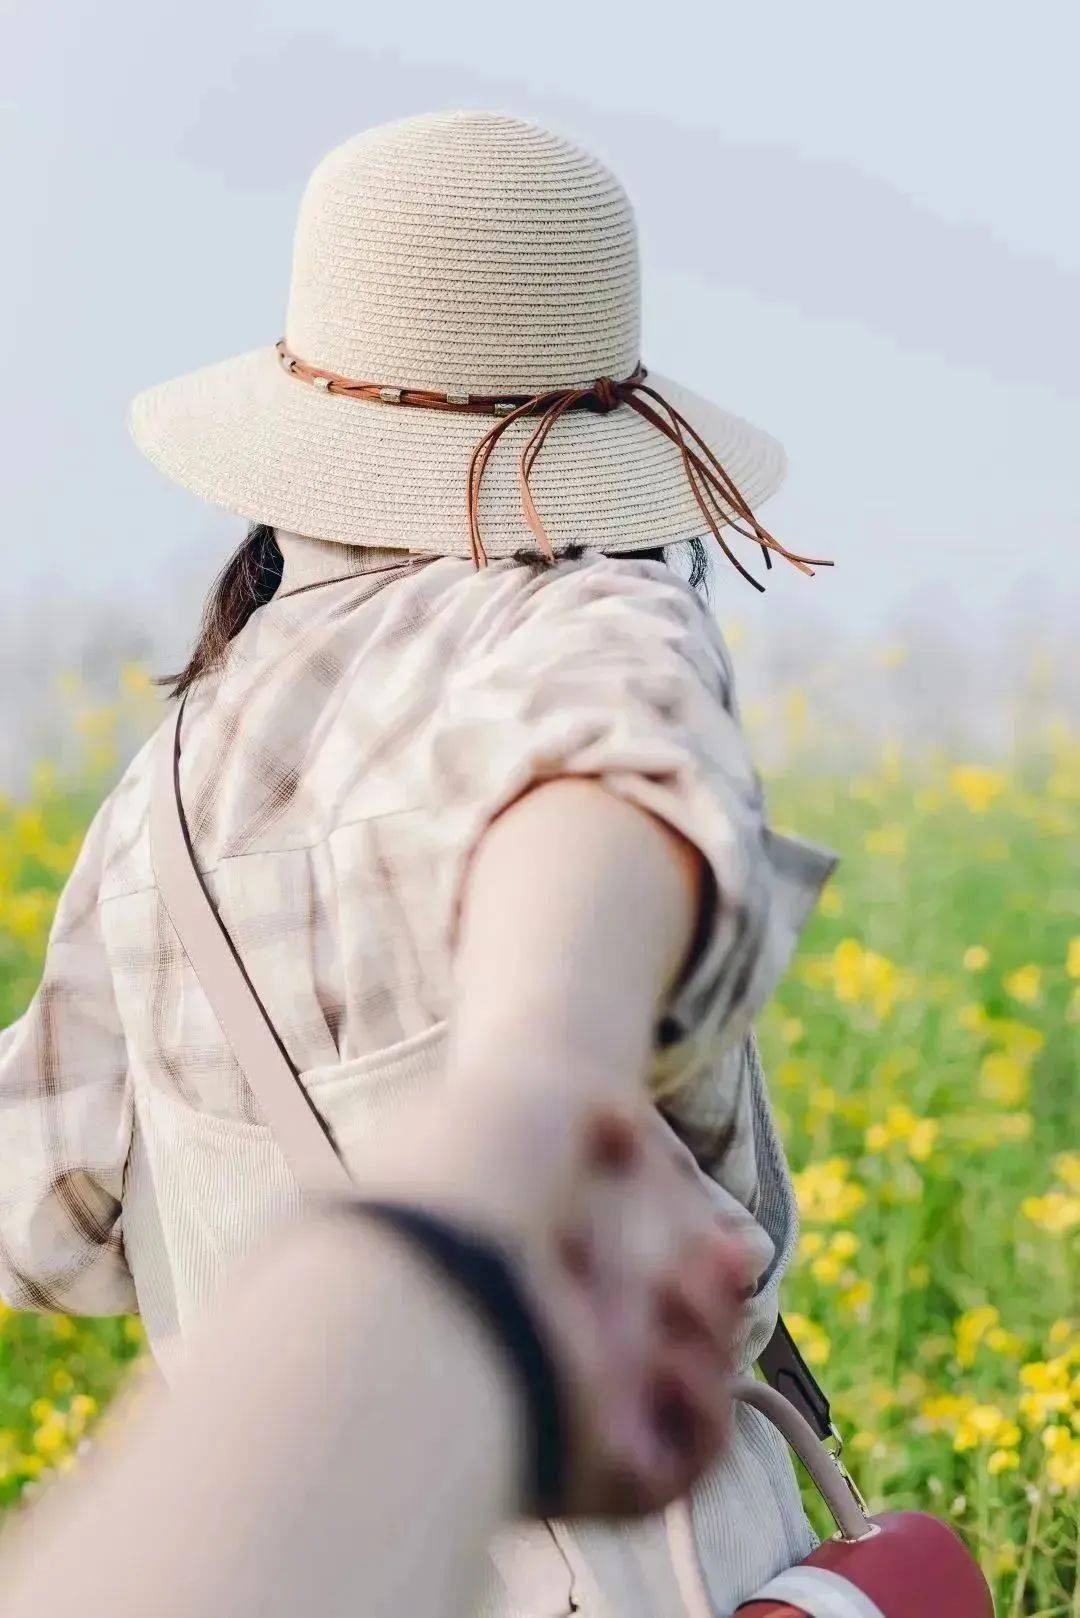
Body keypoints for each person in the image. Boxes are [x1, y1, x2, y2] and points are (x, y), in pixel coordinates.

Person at [0, 110, 839, 1616]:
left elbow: (41, 1223)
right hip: (636, 1560)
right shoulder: (576, 614)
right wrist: (537, 1082)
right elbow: (606, 770)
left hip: (296, 1554)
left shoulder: (164, 791)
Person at [0, 1099, 751, 1618]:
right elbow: (732, 1223)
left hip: (296, 1541)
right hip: (676, 1530)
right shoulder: (608, 879)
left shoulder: (150, 867)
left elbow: (43, 1240)